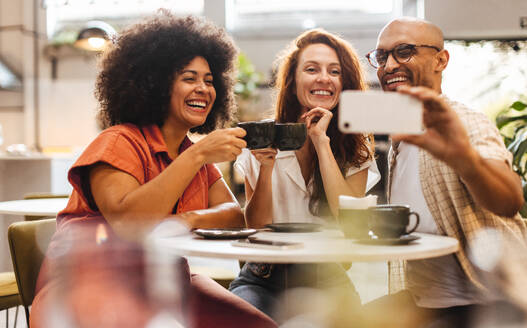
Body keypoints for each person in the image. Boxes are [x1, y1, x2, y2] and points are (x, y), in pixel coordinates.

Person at [30, 12, 276, 328]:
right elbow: (130, 225)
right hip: (90, 285)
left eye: (209, 80)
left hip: (168, 282)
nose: (203, 88)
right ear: (157, 85)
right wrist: (199, 154)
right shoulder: (118, 142)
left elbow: (233, 216)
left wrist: (181, 220)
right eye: (189, 78)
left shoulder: (192, 154)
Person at [360, 17, 527, 327]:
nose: (388, 65)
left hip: (482, 304)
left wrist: (464, 158)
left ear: (441, 60)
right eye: (381, 56)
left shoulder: (465, 122)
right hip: (423, 301)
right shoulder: (401, 138)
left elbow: (510, 200)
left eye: (404, 51)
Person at [229, 28, 381, 320]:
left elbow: (350, 222)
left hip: (326, 276)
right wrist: (266, 167)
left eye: (334, 71)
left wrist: (322, 144)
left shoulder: (355, 146)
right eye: (311, 69)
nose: (323, 78)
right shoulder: (263, 136)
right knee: (240, 319)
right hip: (262, 277)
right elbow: (258, 229)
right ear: (293, 80)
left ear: (343, 83)